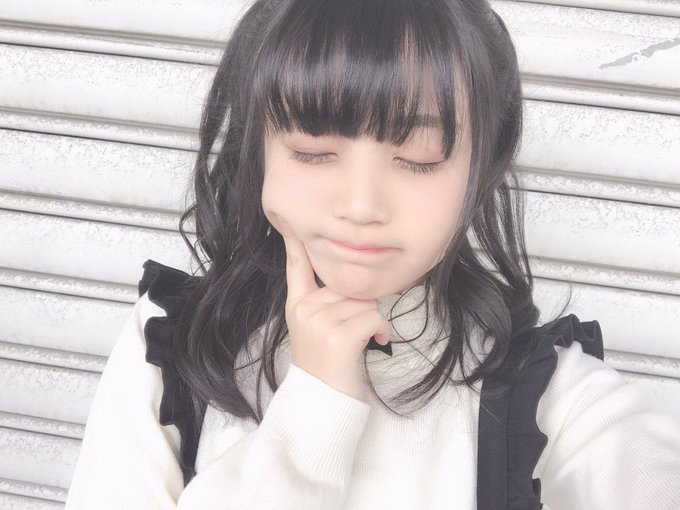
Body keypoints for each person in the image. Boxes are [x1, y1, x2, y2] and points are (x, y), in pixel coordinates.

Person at [65, 0, 680, 508]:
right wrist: (314, 413)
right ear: (258, 150)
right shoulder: (171, 348)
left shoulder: (552, 400)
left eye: (419, 157)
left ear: (481, 167)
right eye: (312, 149)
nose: (361, 205)